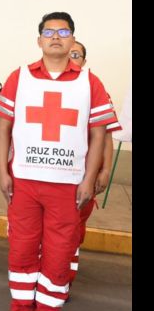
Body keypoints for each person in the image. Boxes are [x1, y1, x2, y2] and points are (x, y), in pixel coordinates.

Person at [0, 12, 119, 311]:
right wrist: (3, 171)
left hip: (68, 184)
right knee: (22, 248)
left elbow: (99, 132)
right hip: (25, 182)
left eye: (64, 31)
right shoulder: (20, 77)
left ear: (73, 40)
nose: (56, 36)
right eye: (49, 31)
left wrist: (90, 178)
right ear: (39, 40)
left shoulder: (90, 81)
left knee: (60, 251)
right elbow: (3, 127)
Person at [65, 42, 117, 292]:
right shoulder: (41, 84)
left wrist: (104, 170)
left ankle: (64, 278)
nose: (71, 58)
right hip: (49, 172)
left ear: (84, 61)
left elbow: (104, 136)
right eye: (69, 53)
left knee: (72, 230)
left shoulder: (94, 88)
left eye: (77, 55)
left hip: (82, 174)